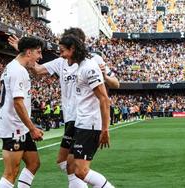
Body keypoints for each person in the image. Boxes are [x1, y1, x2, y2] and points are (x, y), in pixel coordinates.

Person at [8, 27, 119, 187]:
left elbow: (111, 88)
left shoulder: (93, 62)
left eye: (62, 50)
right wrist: (25, 52)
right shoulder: (65, 62)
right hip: (74, 118)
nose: (60, 54)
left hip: (86, 120)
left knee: (78, 168)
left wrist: (105, 77)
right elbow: (38, 70)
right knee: (67, 164)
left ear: (75, 46)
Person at [61, 34, 114, 187]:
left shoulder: (89, 68)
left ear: (73, 49)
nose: (62, 56)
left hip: (90, 124)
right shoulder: (82, 66)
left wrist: (105, 129)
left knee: (81, 171)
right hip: (81, 123)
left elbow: (104, 98)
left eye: (63, 51)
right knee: (70, 165)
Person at [0, 36, 44, 188]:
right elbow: (18, 102)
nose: (40, 57)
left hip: (20, 127)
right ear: (29, 52)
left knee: (34, 163)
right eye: (38, 52)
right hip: (13, 128)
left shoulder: (13, 67)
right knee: (11, 172)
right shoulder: (18, 71)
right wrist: (32, 128)